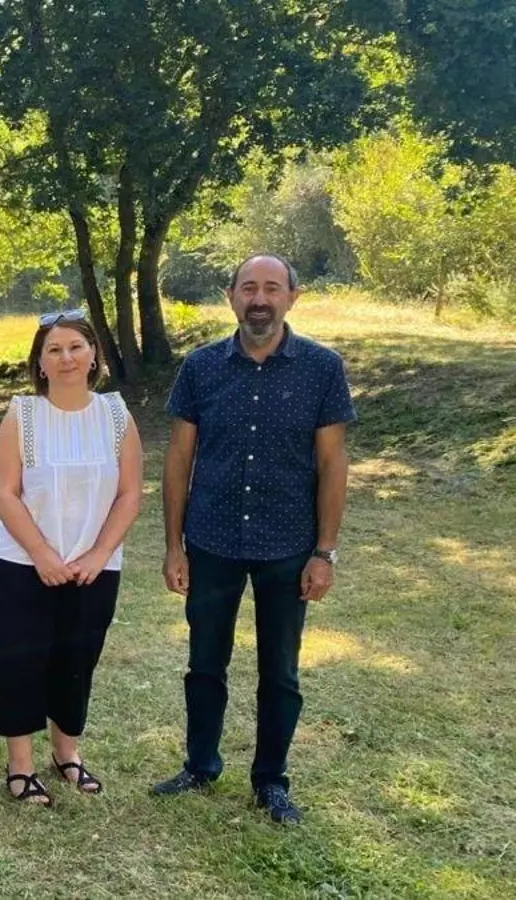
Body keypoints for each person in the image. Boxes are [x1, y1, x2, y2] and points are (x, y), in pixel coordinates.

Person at [152, 254, 354, 825]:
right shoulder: (201, 367)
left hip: (288, 546)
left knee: (280, 672)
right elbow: (179, 458)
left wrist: (324, 552)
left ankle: (271, 782)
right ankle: (200, 765)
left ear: (292, 296)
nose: (259, 299)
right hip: (211, 541)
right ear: (231, 296)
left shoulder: (322, 368)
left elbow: (333, 462)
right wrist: (173, 545)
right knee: (204, 663)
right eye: (248, 288)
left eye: (271, 288)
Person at [0, 311, 142, 805]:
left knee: (77, 661)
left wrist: (99, 553)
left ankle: (66, 753)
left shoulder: (116, 415)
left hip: (95, 567)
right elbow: (4, 491)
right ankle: (20, 765)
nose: (66, 357)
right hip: (22, 563)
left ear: (94, 355)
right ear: (40, 362)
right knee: (19, 661)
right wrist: (41, 554)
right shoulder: (23, 416)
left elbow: (130, 493)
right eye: (54, 349)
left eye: (76, 347)